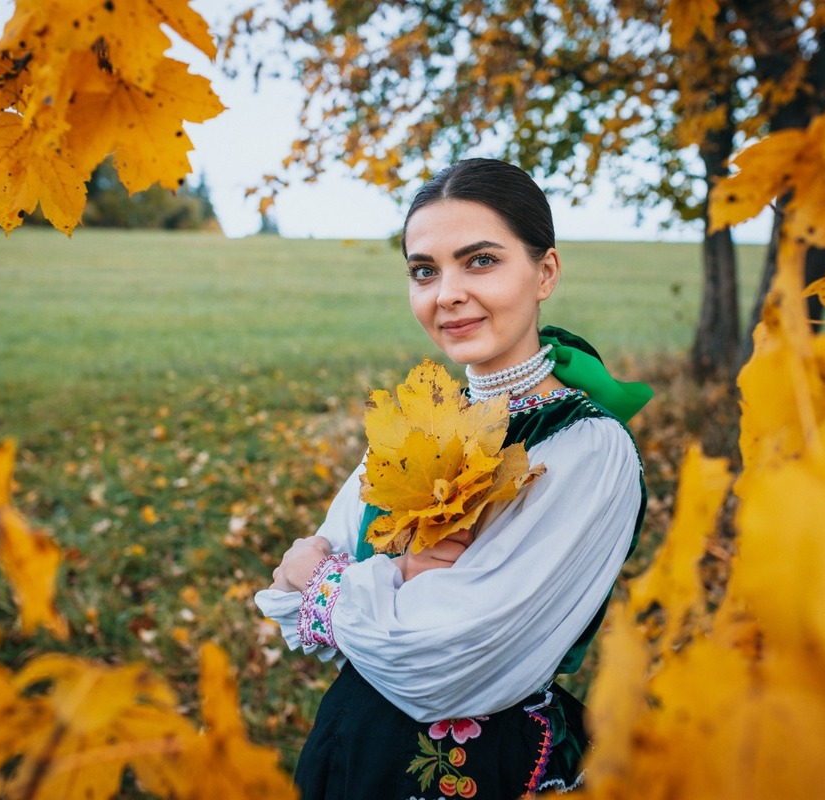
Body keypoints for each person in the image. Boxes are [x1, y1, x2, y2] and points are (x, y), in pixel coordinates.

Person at [254, 158, 651, 799]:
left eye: (481, 261)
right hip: (353, 753)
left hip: (487, 773)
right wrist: (388, 584)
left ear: (544, 271)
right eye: (424, 271)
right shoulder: (423, 423)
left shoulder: (588, 449)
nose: (447, 295)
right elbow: (282, 596)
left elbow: (445, 660)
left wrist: (329, 585)